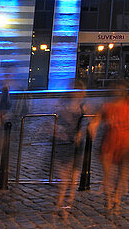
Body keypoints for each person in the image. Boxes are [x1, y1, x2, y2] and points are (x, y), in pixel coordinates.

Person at [90, 82, 129, 216]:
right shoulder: (106, 105)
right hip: (110, 140)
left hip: (126, 141)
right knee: (108, 175)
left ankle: (116, 198)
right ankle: (109, 199)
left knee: (122, 174)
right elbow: (97, 119)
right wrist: (92, 127)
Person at [54, 80, 87, 217]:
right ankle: (60, 201)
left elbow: (89, 122)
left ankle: (69, 201)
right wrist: (58, 130)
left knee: (74, 174)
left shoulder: (83, 106)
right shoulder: (63, 104)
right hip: (63, 142)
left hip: (76, 143)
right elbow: (55, 121)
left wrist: (82, 133)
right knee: (63, 175)